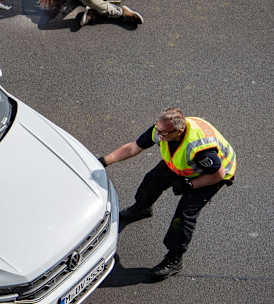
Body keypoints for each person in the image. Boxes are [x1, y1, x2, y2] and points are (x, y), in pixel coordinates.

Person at [98, 108, 236, 280]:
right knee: (152, 181)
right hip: (184, 164)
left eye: (163, 133)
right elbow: (133, 148)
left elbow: (218, 174)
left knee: (184, 215)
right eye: (158, 129)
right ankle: (142, 208)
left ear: (178, 132)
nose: (158, 135)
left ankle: (175, 259)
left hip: (210, 175)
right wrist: (103, 162)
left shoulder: (200, 148)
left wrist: (190, 184)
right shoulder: (161, 129)